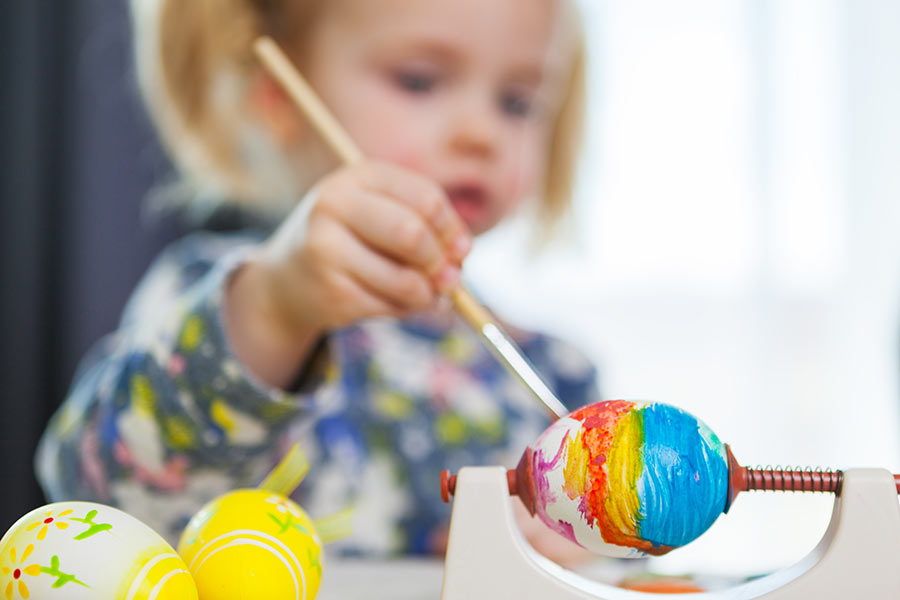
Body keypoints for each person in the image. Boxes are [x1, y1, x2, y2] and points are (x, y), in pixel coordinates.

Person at [37, 0, 599, 562]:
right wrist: (273, 310)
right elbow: (98, 506)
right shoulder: (215, 299)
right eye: (419, 81)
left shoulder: (558, 380)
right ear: (278, 95)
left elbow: (629, 562)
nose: (481, 133)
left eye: (517, 102)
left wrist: (581, 552)